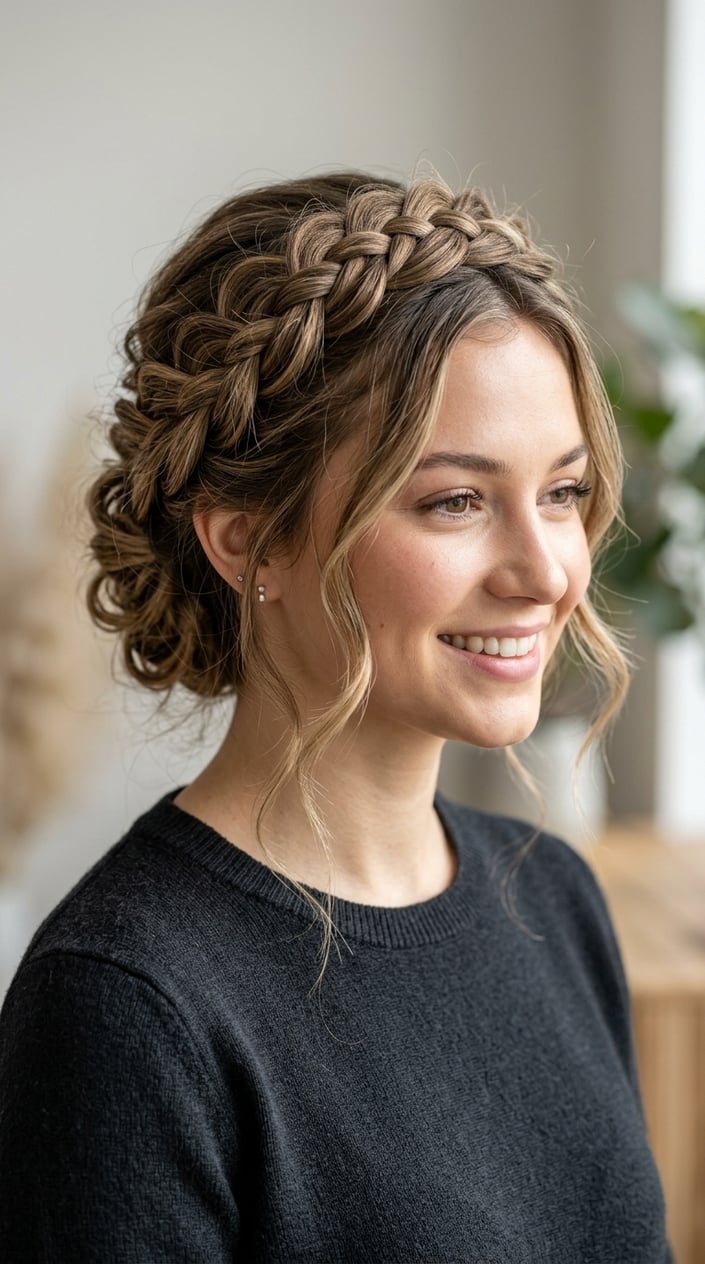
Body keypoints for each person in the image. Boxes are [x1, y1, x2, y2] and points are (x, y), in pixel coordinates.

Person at [0, 172, 673, 1262]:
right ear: (247, 539)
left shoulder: (552, 897)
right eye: (455, 499)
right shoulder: (127, 1007)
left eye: (562, 491)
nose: (549, 570)